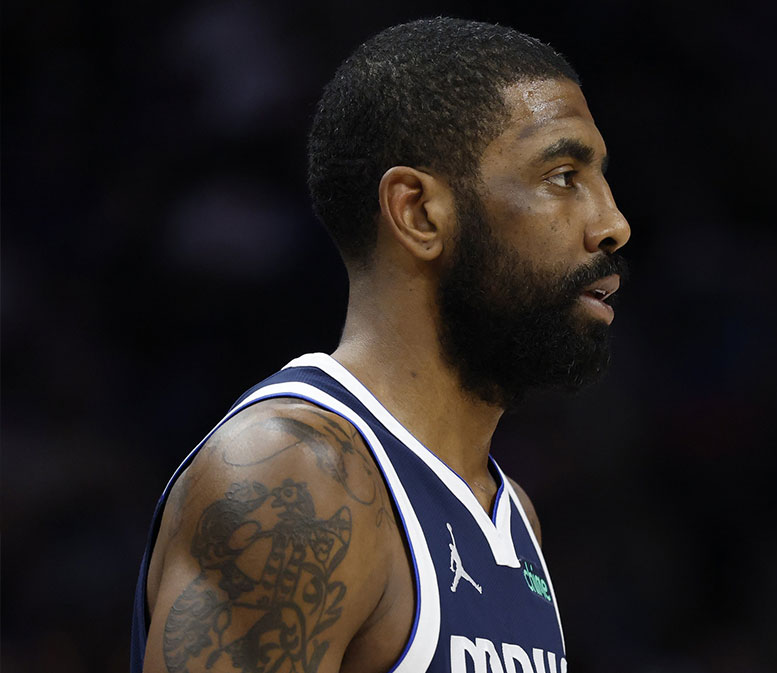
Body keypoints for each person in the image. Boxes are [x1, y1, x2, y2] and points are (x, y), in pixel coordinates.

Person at [130, 17, 630, 673]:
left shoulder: (514, 520)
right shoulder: (293, 478)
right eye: (562, 174)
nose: (612, 222)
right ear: (419, 212)